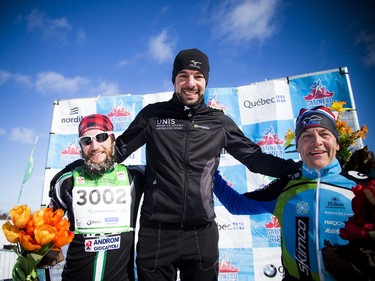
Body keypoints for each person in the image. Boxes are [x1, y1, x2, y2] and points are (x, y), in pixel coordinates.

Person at [115, 48, 300, 281]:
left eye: (198, 77)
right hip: (156, 234)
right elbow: (117, 152)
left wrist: (299, 169)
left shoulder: (218, 122)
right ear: (174, 79)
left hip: (201, 235)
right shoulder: (152, 116)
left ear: (206, 81)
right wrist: (78, 167)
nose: (190, 83)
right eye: (183, 75)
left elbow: (255, 159)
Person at [213, 106, 357, 281]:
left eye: (324, 134)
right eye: (307, 136)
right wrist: (208, 170)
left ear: (337, 142)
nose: (317, 141)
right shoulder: (286, 186)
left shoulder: (361, 185)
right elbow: (236, 204)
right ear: (297, 146)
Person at [49, 114, 144, 281]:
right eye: (87, 140)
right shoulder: (67, 182)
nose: (95, 146)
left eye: (101, 137)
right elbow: (46, 227)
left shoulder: (135, 177)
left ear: (113, 140)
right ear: (80, 146)